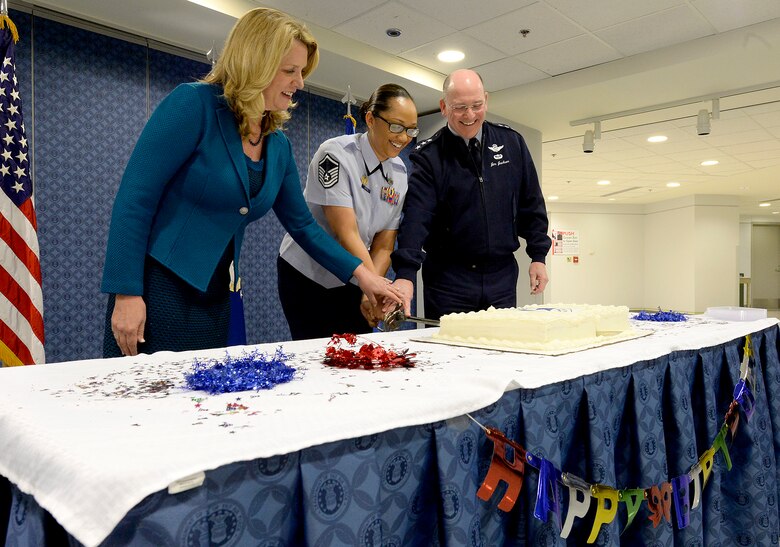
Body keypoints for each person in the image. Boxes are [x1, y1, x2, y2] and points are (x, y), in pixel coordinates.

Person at [101, 8, 402, 357]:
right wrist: (126, 293)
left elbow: (304, 226)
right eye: (290, 71)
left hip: (215, 295)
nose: (300, 82)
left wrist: (365, 277)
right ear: (254, 64)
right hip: (158, 290)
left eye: (301, 72)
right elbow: (135, 199)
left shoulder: (277, 144)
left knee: (201, 405)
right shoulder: (192, 105)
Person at [391, 69, 551, 320]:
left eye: (477, 105)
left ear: (486, 100)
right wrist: (405, 274)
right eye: (460, 107)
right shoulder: (429, 156)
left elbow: (531, 204)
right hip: (449, 281)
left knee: (501, 351)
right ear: (444, 107)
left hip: (501, 277)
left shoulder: (511, 143)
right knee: (450, 355)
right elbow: (416, 218)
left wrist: (538, 256)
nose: (470, 115)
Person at [277, 84, 418, 340]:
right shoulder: (335, 154)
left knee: (359, 352)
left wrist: (369, 291)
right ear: (370, 119)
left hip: (357, 275)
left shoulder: (399, 172)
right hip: (308, 274)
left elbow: (385, 243)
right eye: (396, 126)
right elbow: (346, 232)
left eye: (410, 130)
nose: (403, 137)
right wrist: (370, 283)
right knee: (319, 356)